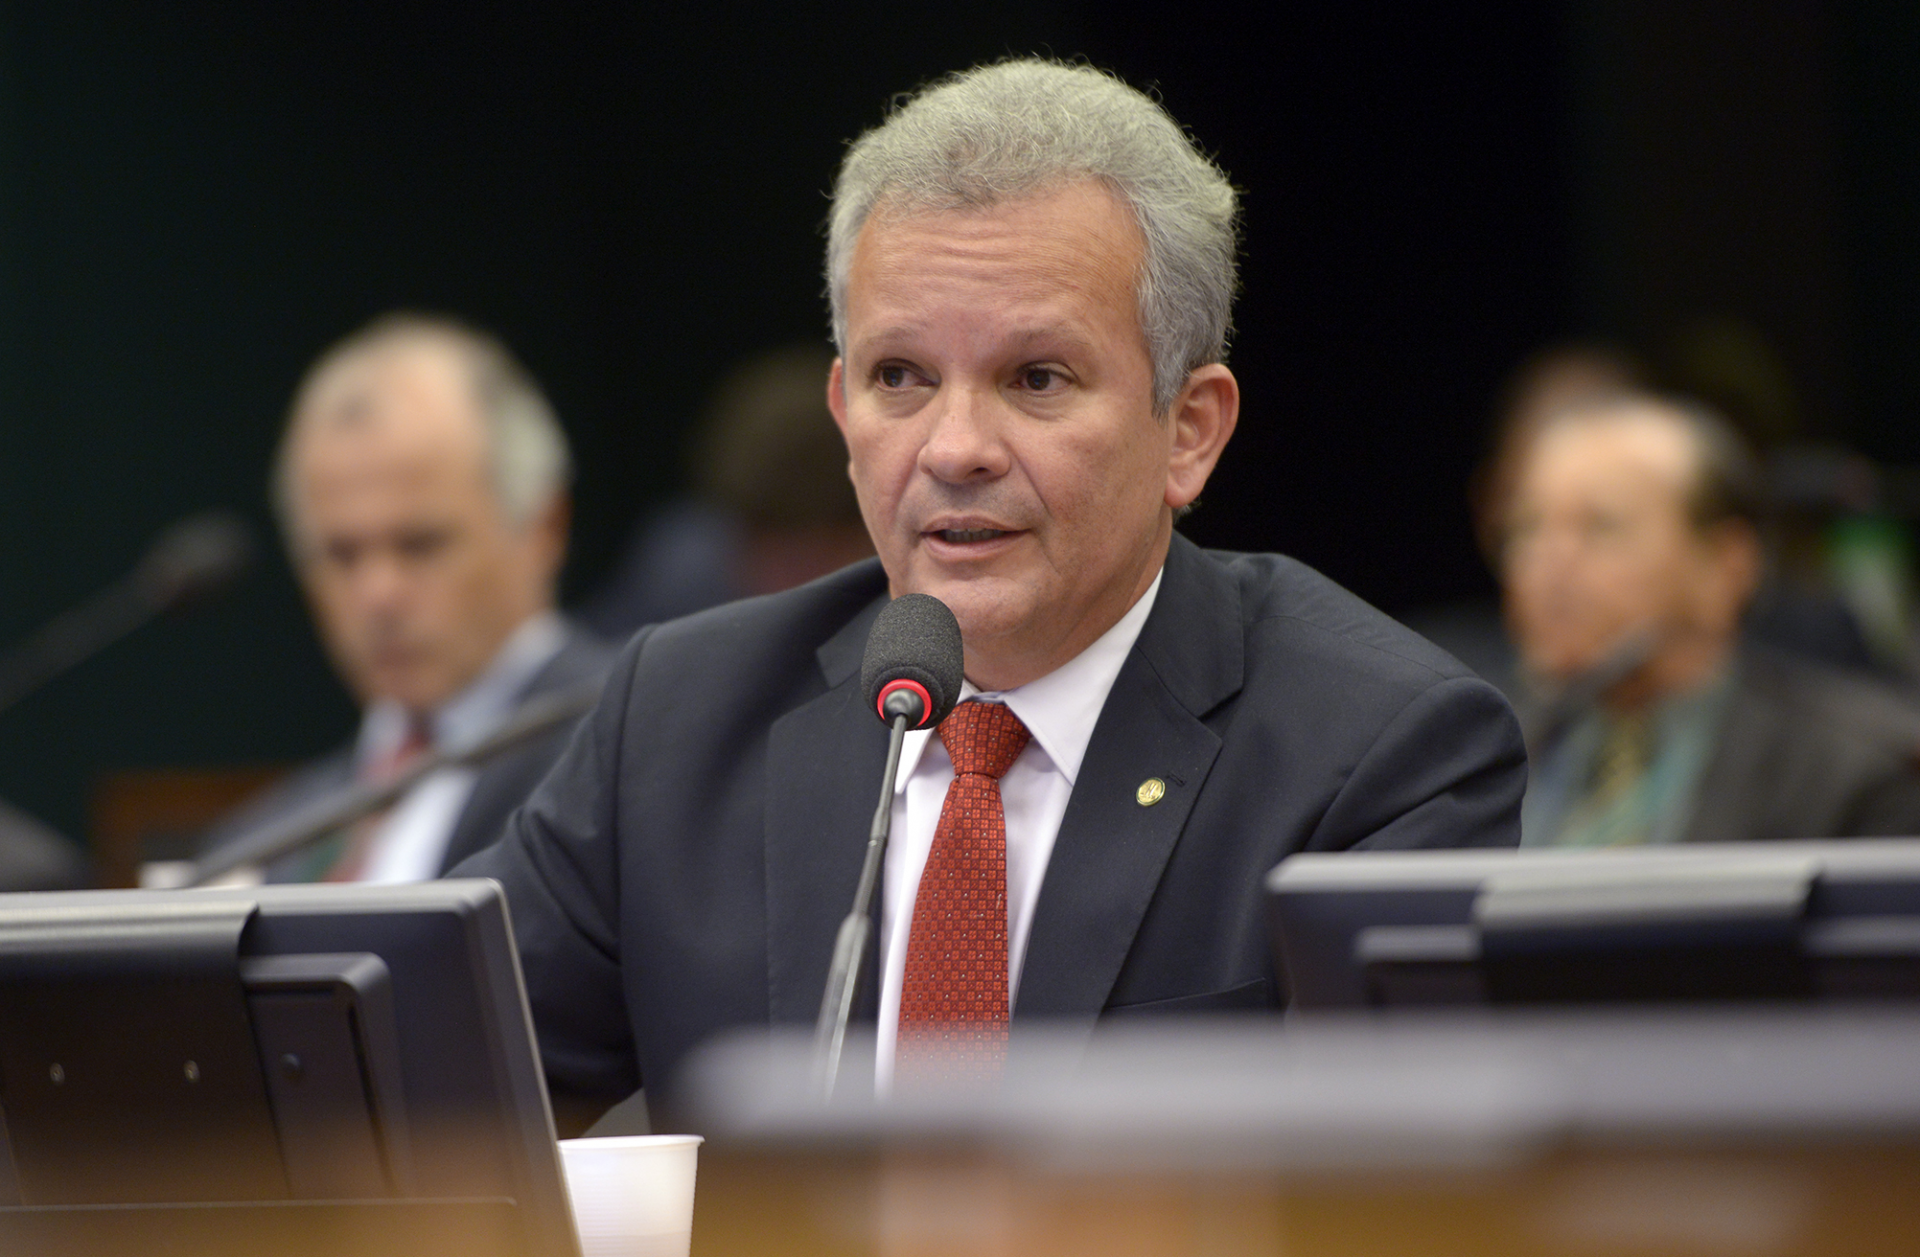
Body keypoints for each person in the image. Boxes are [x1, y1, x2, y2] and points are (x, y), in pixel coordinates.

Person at [457, 58, 1525, 1118]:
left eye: (1037, 379)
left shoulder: (1382, 756)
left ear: (1188, 431)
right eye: (901, 378)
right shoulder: (682, 719)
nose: (954, 448)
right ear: (843, 414)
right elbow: (412, 1092)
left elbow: (1396, 1206)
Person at [200, 314, 613, 882]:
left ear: (542, 529)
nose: (378, 594)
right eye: (341, 554)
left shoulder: (627, 760)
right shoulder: (257, 845)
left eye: (420, 545)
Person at [1502, 393, 1920, 847]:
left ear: (1726, 566)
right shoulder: (1482, 751)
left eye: (1601, 526)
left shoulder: (1863, 767)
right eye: (1527, 527)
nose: (1549, 563)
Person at [579, 343, 875, 638]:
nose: (793, 584)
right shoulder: (682, 570)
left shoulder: (899, 591)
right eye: (774, 550)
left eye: (824, 553)